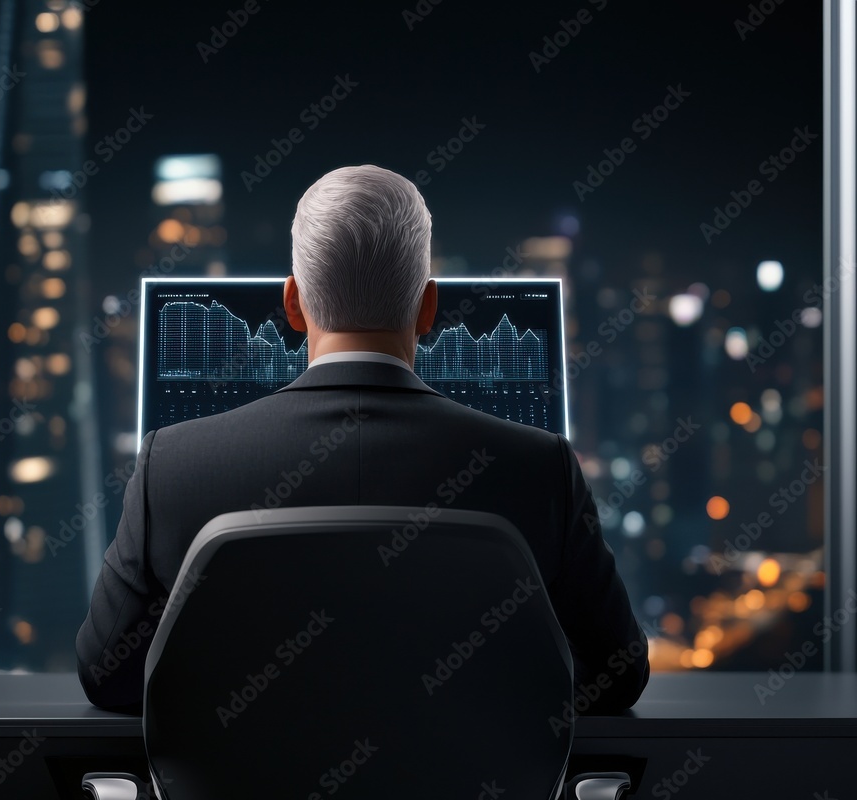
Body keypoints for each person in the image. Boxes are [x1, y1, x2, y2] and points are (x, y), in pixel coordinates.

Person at [76, 164, 649, 714]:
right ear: (428, 308)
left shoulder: (171, 467)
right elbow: (617, 674)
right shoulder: (541, 469)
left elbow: (107, 676)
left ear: (293, 304)